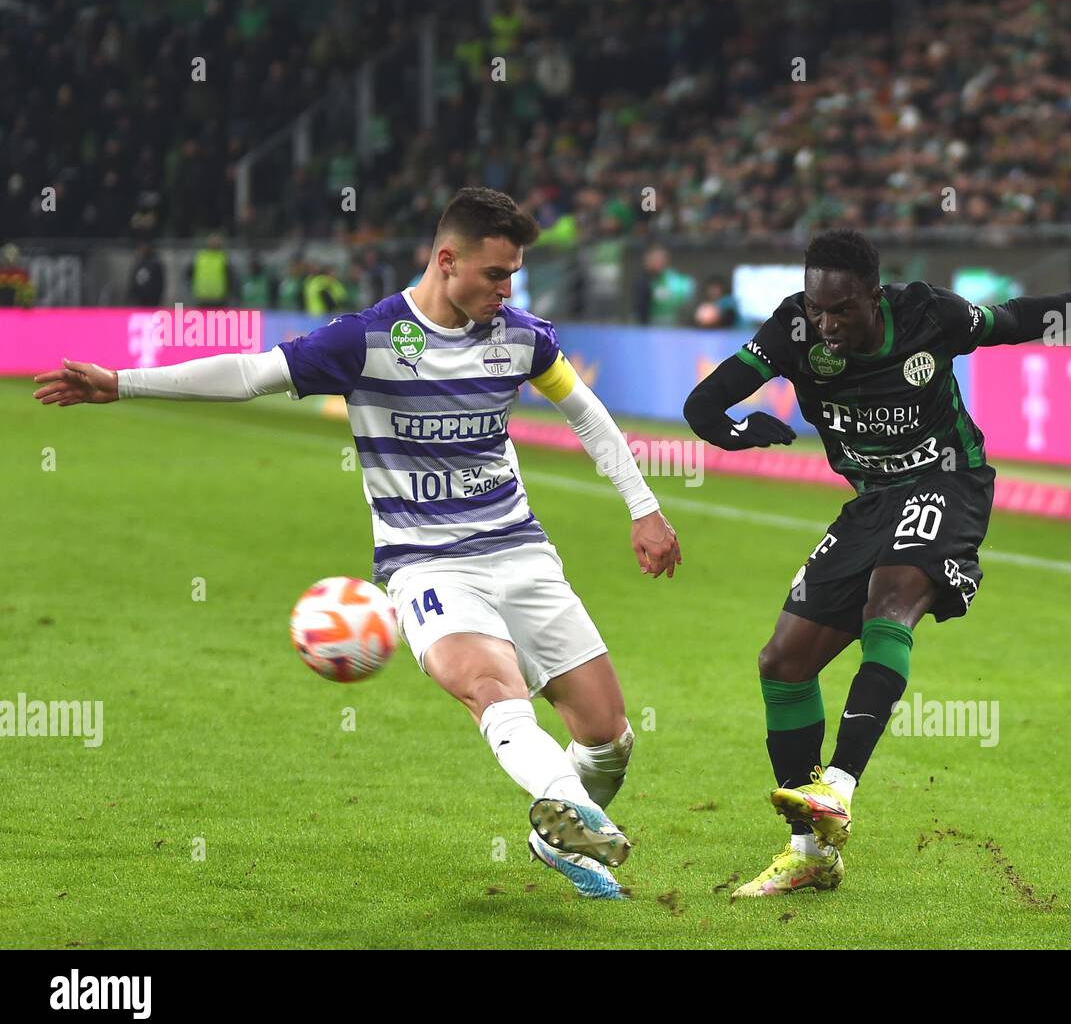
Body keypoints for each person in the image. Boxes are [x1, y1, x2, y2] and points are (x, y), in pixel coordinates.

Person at [33, 187, 682, 901]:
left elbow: (588, 418)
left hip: (522, 553)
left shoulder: (523, 338)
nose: (507, 289)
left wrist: (644, 508)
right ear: (446, 261)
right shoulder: (366, 339)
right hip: (427, 564)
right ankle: (566, 806)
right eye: (496, 274)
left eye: (513, 276)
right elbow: (250, 374)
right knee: (489, 686)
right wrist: (123, 383)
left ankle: (554, 829)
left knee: (609, 737)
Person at [683, 229, 1071, 897]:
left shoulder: (926, 315)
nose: (826, 324)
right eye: (817, 307)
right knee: (783, 662)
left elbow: (1026, 318)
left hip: (949, 481)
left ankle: (840, 788)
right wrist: (740, 435)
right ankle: (811, 852)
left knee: (891, 598)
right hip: (871, 503)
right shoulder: (793, 331)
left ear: (873, 297)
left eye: (842, 310)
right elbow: (703, 405)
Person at [125, 241, 165, 307]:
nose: (142, 251)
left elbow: (159, 282)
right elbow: (133, 280)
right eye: (141, 249)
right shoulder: (138, 264)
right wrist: (131, 294)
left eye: (144, 248)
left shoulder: (155, 265)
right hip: (139, 299)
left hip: (152, 299)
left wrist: (157, 297)